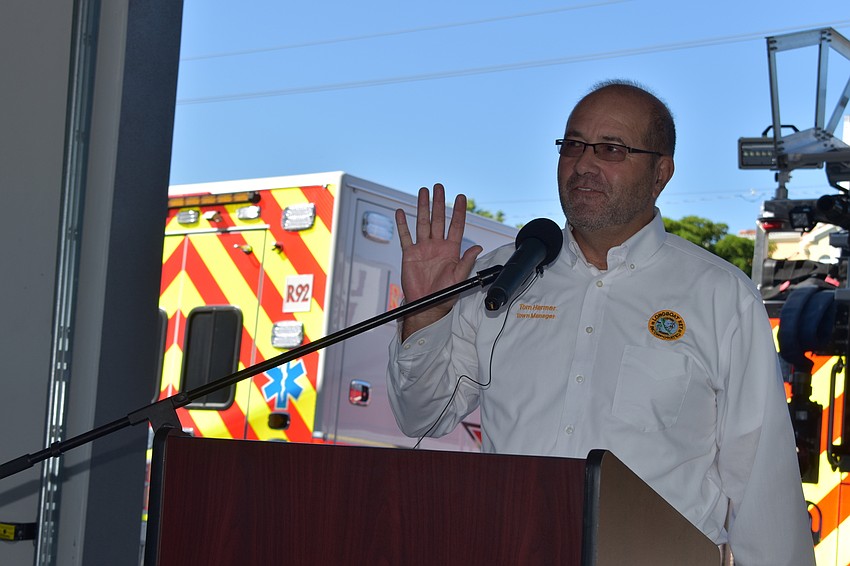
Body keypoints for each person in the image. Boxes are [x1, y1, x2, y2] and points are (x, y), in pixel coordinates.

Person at [386, 80, 815, 565]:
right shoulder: (500, 278)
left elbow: (762, 482)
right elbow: (424, 416)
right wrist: (423, 312)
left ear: (661, 172)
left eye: (611, 149)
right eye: (573, 145)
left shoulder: (718, 294)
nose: (584, 164)